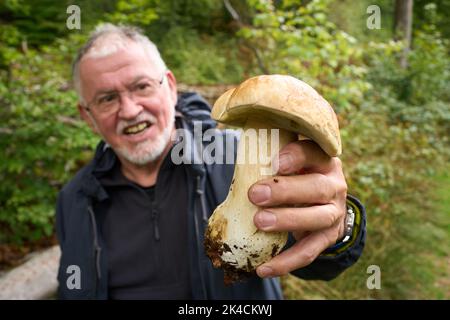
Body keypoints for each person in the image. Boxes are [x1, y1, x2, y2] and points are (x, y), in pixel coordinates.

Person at [56, 23, 366, 300]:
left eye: (141, 86)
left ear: (171, 86)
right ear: (87, 115)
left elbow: (322, 264)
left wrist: (339, 227)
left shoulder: (240, 157)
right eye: (107, 98)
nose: (130, 109)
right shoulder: (73, 200)